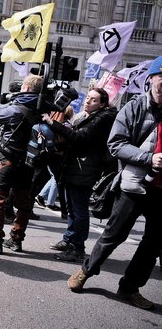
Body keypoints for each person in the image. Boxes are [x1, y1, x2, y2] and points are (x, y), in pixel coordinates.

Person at [67, 55, 162, 310]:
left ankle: (130, 287)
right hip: (134, 184)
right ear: (152, 78)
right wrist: (148, 158)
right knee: (114, 234)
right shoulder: (134, 108)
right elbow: (116, 144)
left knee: (153, 244)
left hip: (161, 190)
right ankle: (86, 271)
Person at [42, 88, 117, 261]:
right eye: (88, 98)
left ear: (103, 104)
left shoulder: (102, 119)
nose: (88, 101)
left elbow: (79, 138)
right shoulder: (88, 116)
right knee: (71, 208)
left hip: (85, 169)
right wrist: (54, 147)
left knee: (79, 210)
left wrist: (52, 123)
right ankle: (69, 240)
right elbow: (74, 142)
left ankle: (78, 249)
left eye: (94, 100)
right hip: (75, 167)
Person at [0, 74, 43, 254]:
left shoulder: (17, 108)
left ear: (27, 89)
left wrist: (11, 102)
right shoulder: (42, 108)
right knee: (23, 203)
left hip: (10, 159)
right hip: (28, 162)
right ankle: (16, 239)